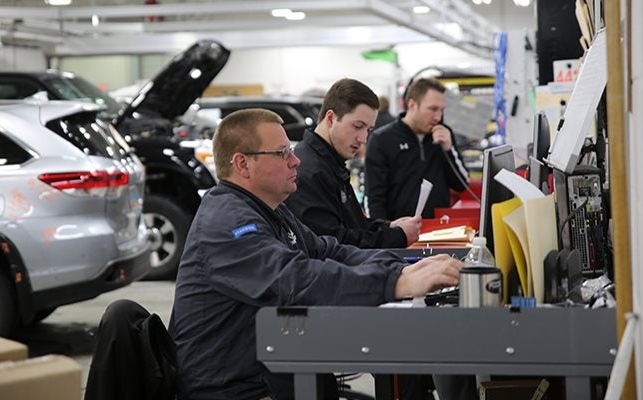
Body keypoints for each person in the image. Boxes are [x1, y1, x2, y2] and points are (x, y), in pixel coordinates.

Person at [173, 108, 464, 400]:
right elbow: (294, 280)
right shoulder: (227, 224)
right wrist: (395, 284)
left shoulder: (269, 210)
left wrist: (402, 268)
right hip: (238, 389)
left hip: (273, 370)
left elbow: (329, 252)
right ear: (243, 164)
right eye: (282, 152)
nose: (295, 159)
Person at [286, 78, 421, 249]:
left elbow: (354, 225)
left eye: (368, 130)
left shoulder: (330, 163)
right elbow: (332, 243)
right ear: (330, 119)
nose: (363, 139)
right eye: (357, 126)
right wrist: (396, 237)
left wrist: (389, 227)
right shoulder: (308, 171)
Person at [365, 78, 470, 220]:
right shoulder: (382, 139)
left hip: (439, 231)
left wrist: (449, 149)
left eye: (441, 110)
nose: (438, 117)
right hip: (399, 235)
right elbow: (374, 198)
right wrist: (384, 236)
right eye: (432, 109)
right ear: (412, 104)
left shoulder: (444, 134)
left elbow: (462, 185)